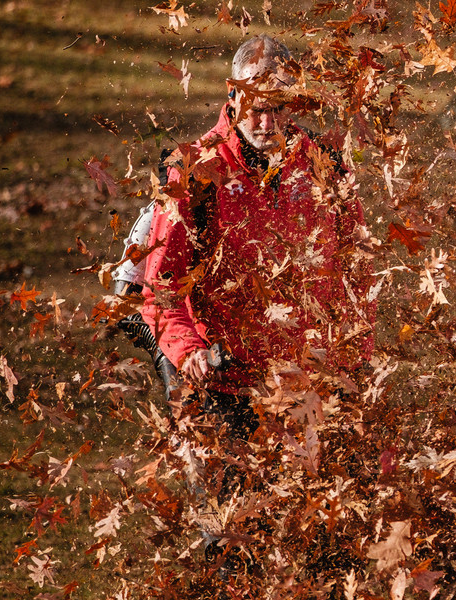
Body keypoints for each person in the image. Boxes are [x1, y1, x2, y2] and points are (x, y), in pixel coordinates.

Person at [140, 34, 373, 436]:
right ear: (233, 95)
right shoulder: (196, 170)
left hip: (308, 383)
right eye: (256, 109)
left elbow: (356, 271)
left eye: (279, 109)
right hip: (225, 385)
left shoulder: (327, 164)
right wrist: (188, 351)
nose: (267, 124)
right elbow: (162, 287)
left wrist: (354, 358)